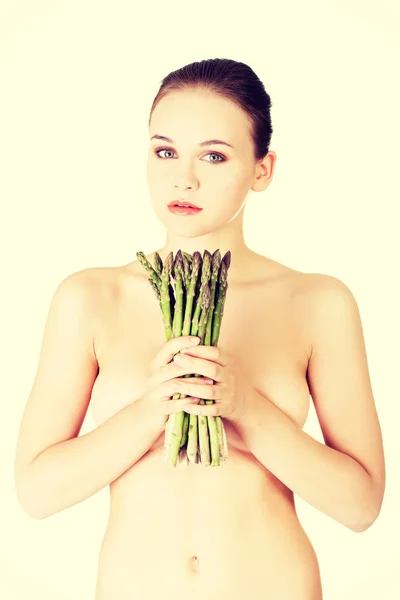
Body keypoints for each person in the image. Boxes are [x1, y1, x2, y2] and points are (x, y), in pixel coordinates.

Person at [14, 58, 385, 599]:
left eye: (214, 155)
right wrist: (152, 409)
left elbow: (361, 506)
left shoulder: (318, 301)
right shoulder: (91, 297)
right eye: (165, 151)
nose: (183, 178)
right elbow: (36, 493)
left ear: (263, 169)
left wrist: (246, 408)